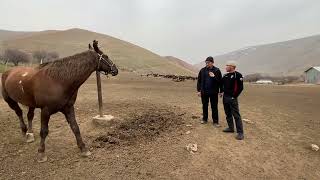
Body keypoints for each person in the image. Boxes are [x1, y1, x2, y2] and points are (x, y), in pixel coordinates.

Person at [220, 61, 244, 140]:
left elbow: (240, 87)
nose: (226, 67)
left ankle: (240, 133)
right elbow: (220, 83)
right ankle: (231, 128)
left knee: (236, 115)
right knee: (228, 114)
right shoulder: (225, 75)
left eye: (227, 66)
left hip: (232, 98)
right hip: (225, 97)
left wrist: (234, 96)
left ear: (232, 67)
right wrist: (213, 77)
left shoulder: (238, 75)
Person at [197, 56, 222, 127]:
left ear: (212, 63)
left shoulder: (217, 70)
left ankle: (215, 121)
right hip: (204, 92)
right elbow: (199, 81)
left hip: (214, 92)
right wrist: (199, 90)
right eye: (206, 62)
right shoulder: (202, 70)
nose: (207, 64)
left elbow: (220, 82)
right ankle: (205, 119)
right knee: (204, 106)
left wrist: (214, 77)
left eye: (208, 63)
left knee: (214, 107)